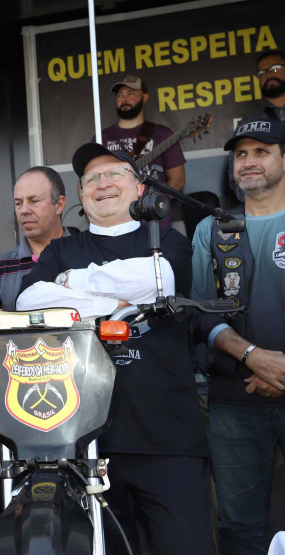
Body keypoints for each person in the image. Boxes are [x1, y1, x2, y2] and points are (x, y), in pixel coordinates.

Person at [15, 143, 212, 554]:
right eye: (91, 179)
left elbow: (161, 281)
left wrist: (71, 285)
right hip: (89, 445)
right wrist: (114, 309)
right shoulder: (60, 250)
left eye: (115, 174)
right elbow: (28, 301)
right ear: (82, 196)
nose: (102, 184)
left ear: (139, 188)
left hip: (169, 439)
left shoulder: (167, 240)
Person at [191, 118, 285, 555]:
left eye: (262, 151)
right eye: (241, 153)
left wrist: (279, 368)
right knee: (238, 530)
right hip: (234, 400)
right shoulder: (213, 229)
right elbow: (199, 313)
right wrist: (254, 357)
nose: (248, 161)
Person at [0, 166, 71, 329]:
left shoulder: (87, 253)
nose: (24, 210)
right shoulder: (0, 268)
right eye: (18, 203)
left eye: (34, 201)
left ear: (59, 204)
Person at [97, 75, 186, 229]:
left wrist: (155, 203)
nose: (124, 98)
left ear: (145, 97)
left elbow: (178, 180)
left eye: (131, 93)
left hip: (153, 221)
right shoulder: (102, 137)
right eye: (120, 95)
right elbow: (85, 183)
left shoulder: (162, 134)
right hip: (114, 221)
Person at [228, 50, 285, 202]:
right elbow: (238, 182)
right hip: (267, 211)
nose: (268, 75)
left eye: (274, 68)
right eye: (261, 72)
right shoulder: (248, 123)